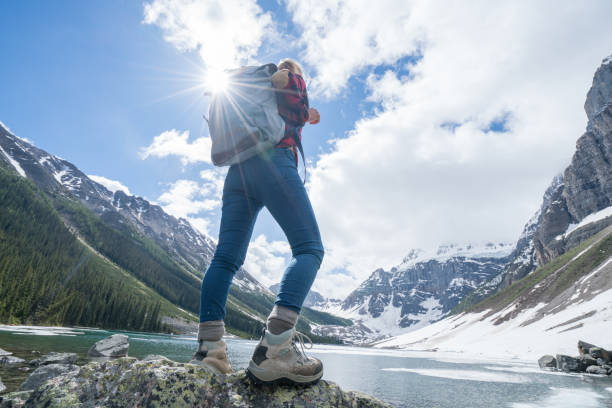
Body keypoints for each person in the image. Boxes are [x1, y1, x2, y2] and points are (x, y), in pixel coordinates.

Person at [190, 58, 325, 385]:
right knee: (309, 249)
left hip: (239, 173)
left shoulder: (258, 96)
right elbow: (288, 85)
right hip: (274, 163)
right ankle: (275, 350)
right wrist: (295, 84)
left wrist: (306, 115)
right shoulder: (290, 78)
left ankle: (210, 351)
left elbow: (287, 105)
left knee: (224, 258)